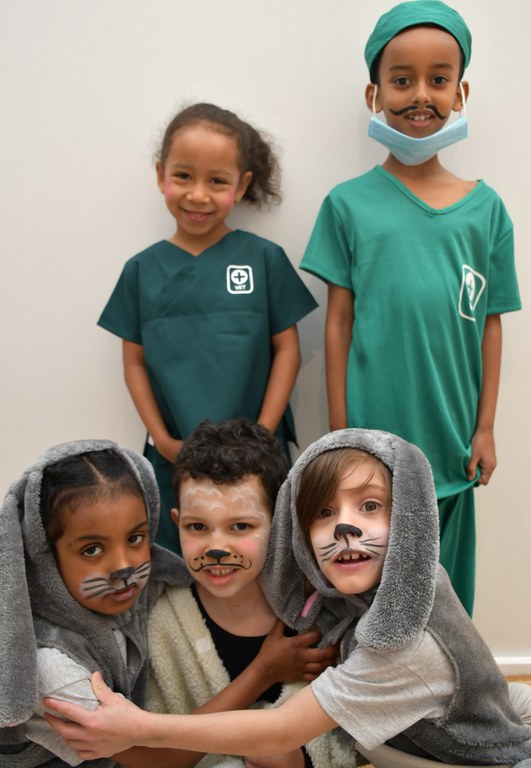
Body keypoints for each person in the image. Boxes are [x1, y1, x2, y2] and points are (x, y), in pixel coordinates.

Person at [43, 429, 531, 766]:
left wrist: (140, 727)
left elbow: (292, 732)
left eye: (241, 526)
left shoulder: (380, 631)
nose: (345, 528)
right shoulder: (159, 611)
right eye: (324, 512)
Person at [299, 0, 521, 615]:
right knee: (369, 590)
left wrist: (484, 427)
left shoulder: (487, 211)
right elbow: (337, 322)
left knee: (447, 598)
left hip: (451, 440)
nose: (420, 94)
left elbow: (491, 325)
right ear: (374, 94)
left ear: (461, 91)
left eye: (438, 79)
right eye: (402, 79)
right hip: (373, 442)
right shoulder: (347, 206)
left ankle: (451, 677)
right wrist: (340, 430)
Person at [97, 102, 317, 554]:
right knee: (184, 560)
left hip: (259, 455)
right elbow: (134, 363)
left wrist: (262, 435)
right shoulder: (141, 271)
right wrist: (163, 440)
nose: (198, 195)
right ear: (161, 175)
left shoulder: (263, 259)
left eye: (217, 181)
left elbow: (288, 351)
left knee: (264, 554)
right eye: (183, 176)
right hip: (176, 458)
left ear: (242, 185)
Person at [143, 418, 346, 768]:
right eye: (197, 526)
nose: (216, 549)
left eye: (240, 526)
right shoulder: (162, 624)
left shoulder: (321, 613)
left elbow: (346, 738)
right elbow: (156, 750)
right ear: (176, 523)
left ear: (279, 523)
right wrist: (263, 672)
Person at [0, 439, 188, 767]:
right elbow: (157, 761)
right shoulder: (51, 666)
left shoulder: (134, 590)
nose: (123, 568)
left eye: (135, 538)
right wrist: (262, 672)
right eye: (92, 550)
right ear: (45, 559)